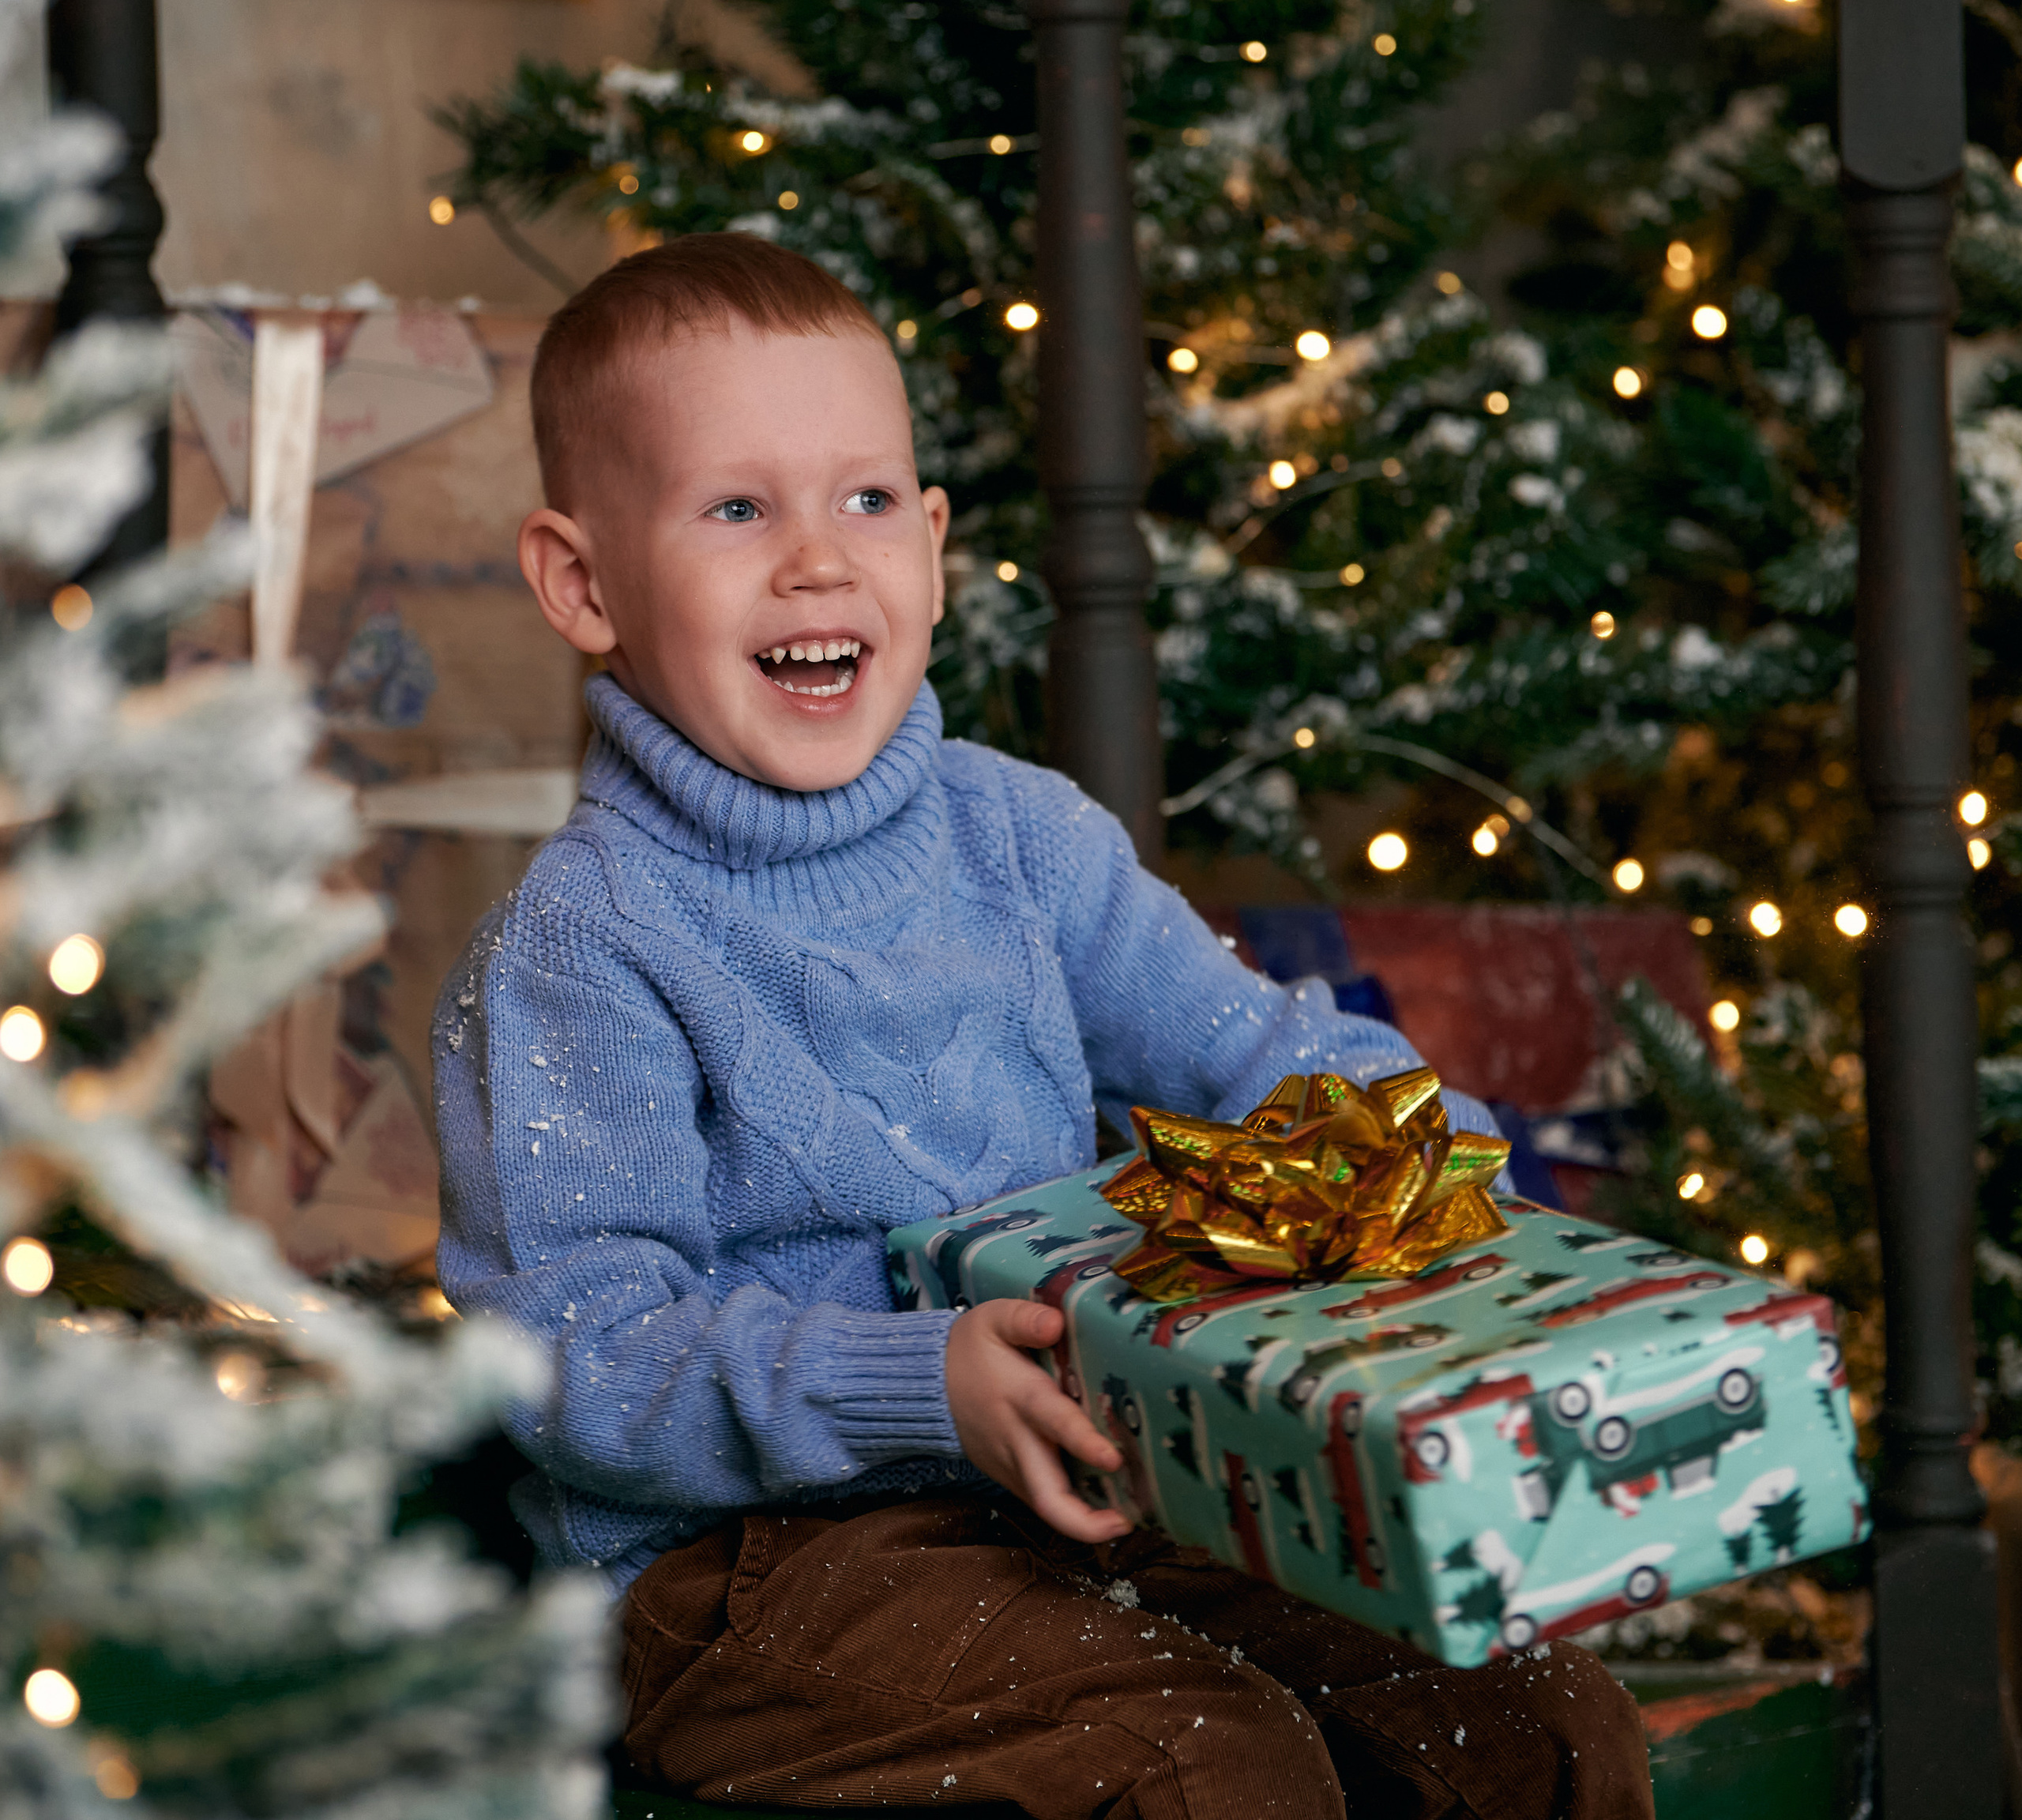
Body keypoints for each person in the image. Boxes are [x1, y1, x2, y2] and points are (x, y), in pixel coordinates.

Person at [432, 233, 1655, 1820]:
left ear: (933, 550)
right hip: (746, 1567)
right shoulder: (583, 943)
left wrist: (1414, 1153)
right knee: (1202, 1764)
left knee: (1530, 1717)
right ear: (581, 580)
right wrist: (911, 1382)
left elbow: (1248, 1049)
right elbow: (575, 1355)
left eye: (865, 499)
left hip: (1089, 1478)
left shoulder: (1018, 838)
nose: (816, 560)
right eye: (736, 507)